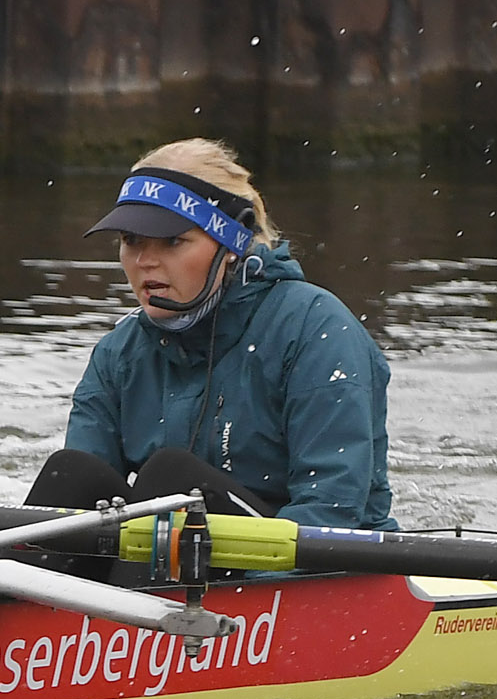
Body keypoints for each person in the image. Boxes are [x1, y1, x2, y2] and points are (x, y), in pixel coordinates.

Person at [30, 138, 396, 533]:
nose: (144, 261)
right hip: (171, 563)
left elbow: (333, 510)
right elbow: (75, 503)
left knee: (174, 482)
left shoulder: (317, 330)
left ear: (232, 242)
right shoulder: (118, 354)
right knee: (68, 474)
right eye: (131, 240)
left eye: (173, 241)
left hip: (316, 559)